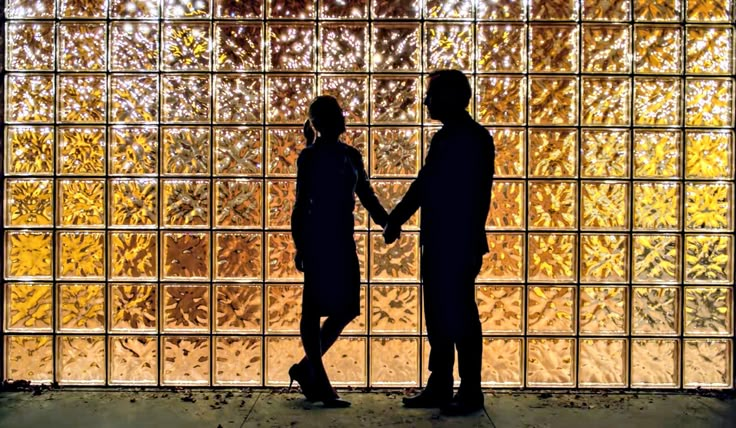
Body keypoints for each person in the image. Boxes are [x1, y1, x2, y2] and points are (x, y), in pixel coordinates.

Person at [383, 70, 495, 416]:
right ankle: (451, 386)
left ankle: (461, 389)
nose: (426, 100)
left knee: (453, 314)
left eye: (431, 94)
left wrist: (395, 218)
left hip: (449, 241)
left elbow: (425, 184)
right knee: (452, 312)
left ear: (449, 97)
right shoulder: (475, 138)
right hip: (460, 240)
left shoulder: (452, 140)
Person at [290, 96, 389, 408]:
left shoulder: (350, 156)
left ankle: (307, 369)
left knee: (346, 309)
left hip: (340, 240)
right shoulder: (311, 158)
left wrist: (387, 222)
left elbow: (366, 194)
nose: (340, 120)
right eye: (333, 116)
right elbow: (300, 205)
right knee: (313, 309)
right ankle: (321, 382)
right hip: (320, 240)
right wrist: (300, 246)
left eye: (339, 115)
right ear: (321, 124)